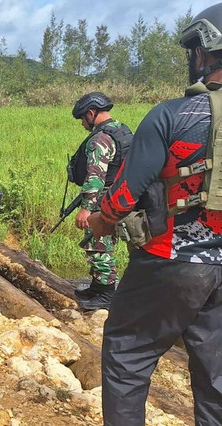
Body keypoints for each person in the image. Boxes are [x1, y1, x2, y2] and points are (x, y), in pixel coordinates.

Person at [88, 3, 222, 424]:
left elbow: (126, 192)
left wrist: (99, 221)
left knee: (127, 356)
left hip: (170, 262)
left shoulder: (174, 115)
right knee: (216, 378)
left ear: (204, 51)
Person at [68, 92, 132, 310]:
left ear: (91, 113)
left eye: (82, 120)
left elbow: (95, 177)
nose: (83, 125)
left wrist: (86, 209)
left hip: (103, 200)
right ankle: (97, 286)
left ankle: (106, 294)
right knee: (100, 243)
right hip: (118, 195)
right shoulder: (122, 130)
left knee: (99, 245)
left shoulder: (100, 139)